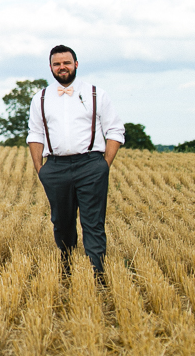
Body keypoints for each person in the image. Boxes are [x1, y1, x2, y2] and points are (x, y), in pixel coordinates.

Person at [27, 45, 124, 276]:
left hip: (91, 164)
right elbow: (35, 134)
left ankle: (97, 272)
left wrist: (104, 164)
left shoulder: (96, 94)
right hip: (56, 166)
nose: (62, 67)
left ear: (76, 64)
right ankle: (67, 268)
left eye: (66, 63)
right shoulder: (40, 98)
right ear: (51, 67)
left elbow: (115, 130)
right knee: (61, 222)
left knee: (93, 221)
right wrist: (40, 169)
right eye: (57, 64)